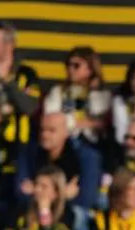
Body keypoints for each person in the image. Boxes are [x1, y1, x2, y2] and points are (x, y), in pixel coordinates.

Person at [42, 45, 109, 207]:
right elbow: (51, 117)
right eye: (68, 65)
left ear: (90, 69)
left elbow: (101, 119)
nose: (70, 69)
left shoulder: (101, 93)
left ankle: (85, 207)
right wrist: (84, 122)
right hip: (63, 144)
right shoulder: (58, 91)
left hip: (91, 144)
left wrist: (68, 121)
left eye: (76, 65)